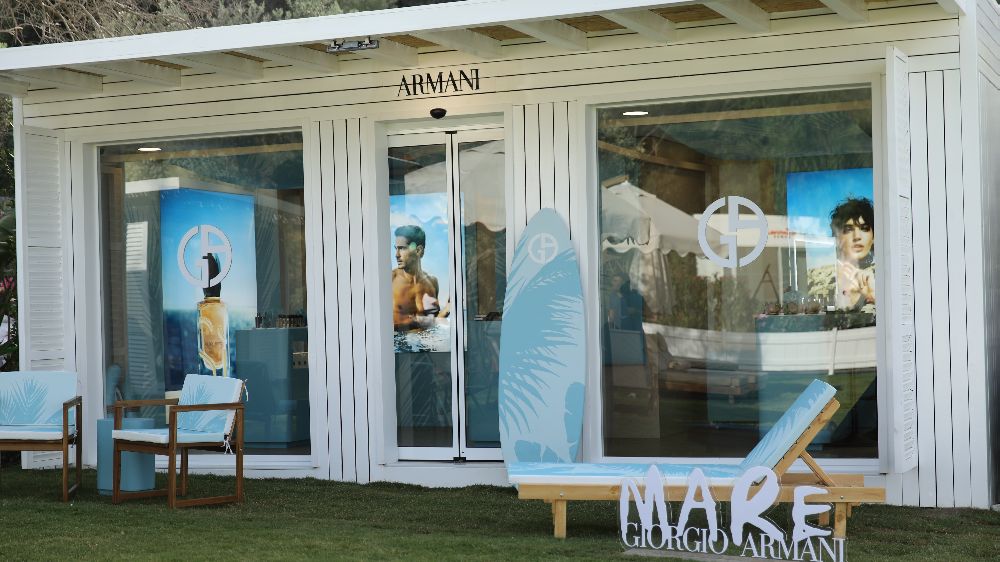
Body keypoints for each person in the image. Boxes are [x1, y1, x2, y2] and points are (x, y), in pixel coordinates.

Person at [392, 225, 445, 331]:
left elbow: (435, 323)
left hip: (427, 341)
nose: (396, 254)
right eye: (396, 248)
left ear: (418, 250)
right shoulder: (391, 279)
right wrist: (416, 322)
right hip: (399, 341)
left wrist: (446, 310)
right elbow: (379, 323)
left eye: (402, 248)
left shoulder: (432, 282)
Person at [830, 197, 875, 313]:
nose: (857, 237)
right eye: (848, 229)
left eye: (864, 228)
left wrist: (873, 296)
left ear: (873, 237)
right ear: (838, 238)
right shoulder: (824, 281)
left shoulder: (881, 278)